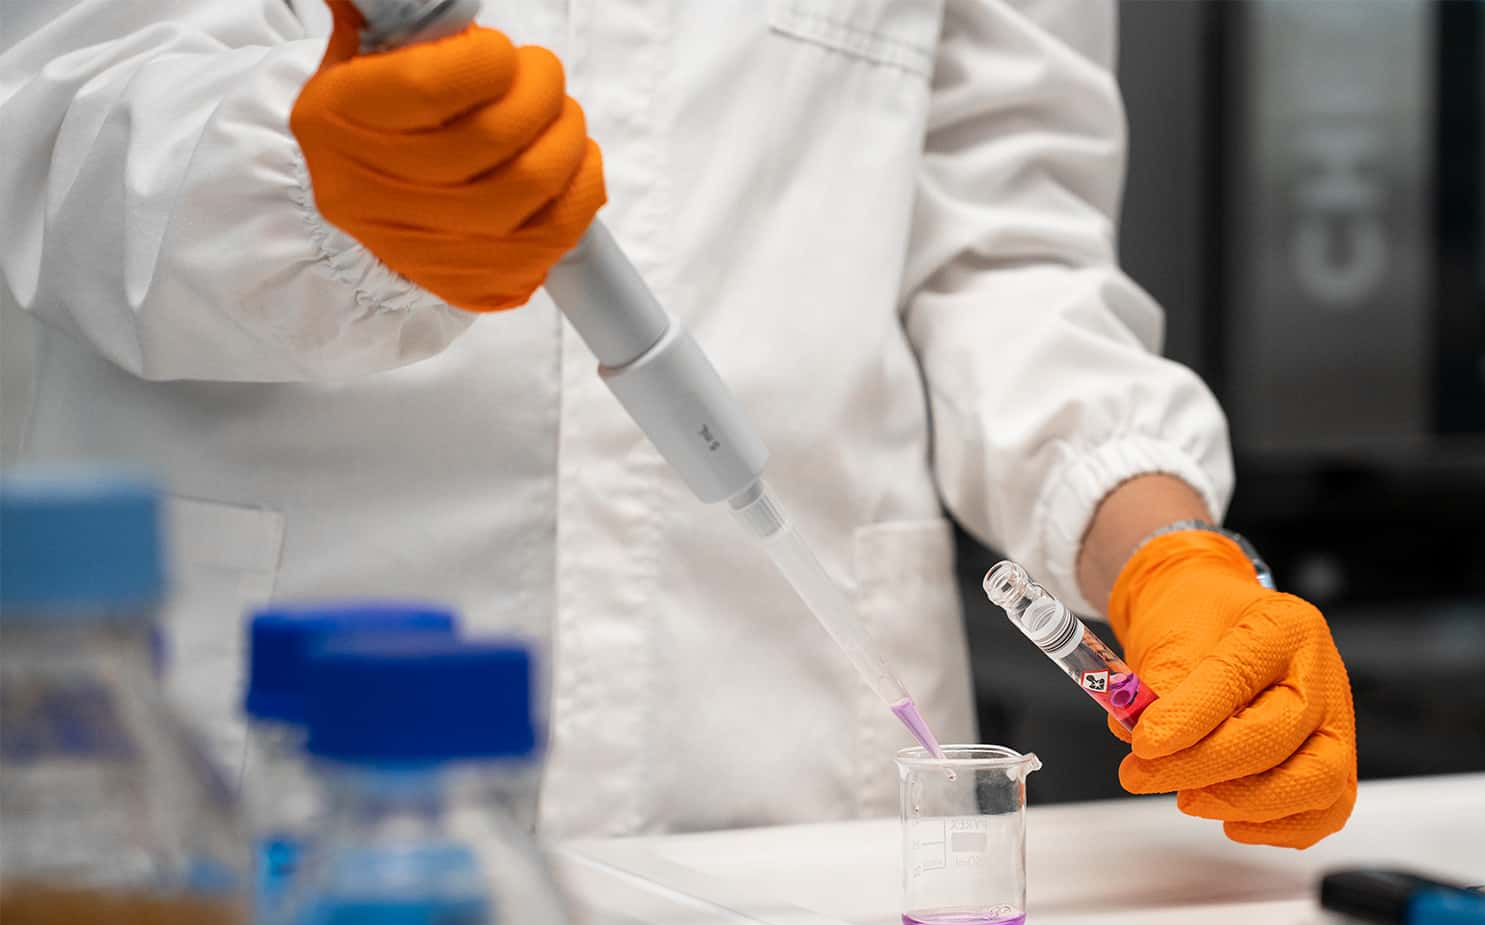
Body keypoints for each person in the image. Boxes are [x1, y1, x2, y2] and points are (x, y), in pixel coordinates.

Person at [0, 0, 1356, 846]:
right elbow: (53, 111)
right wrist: (312, 179)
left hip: (790, 786)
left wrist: (1163, 549)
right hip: (265, 782)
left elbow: (1008, 250)